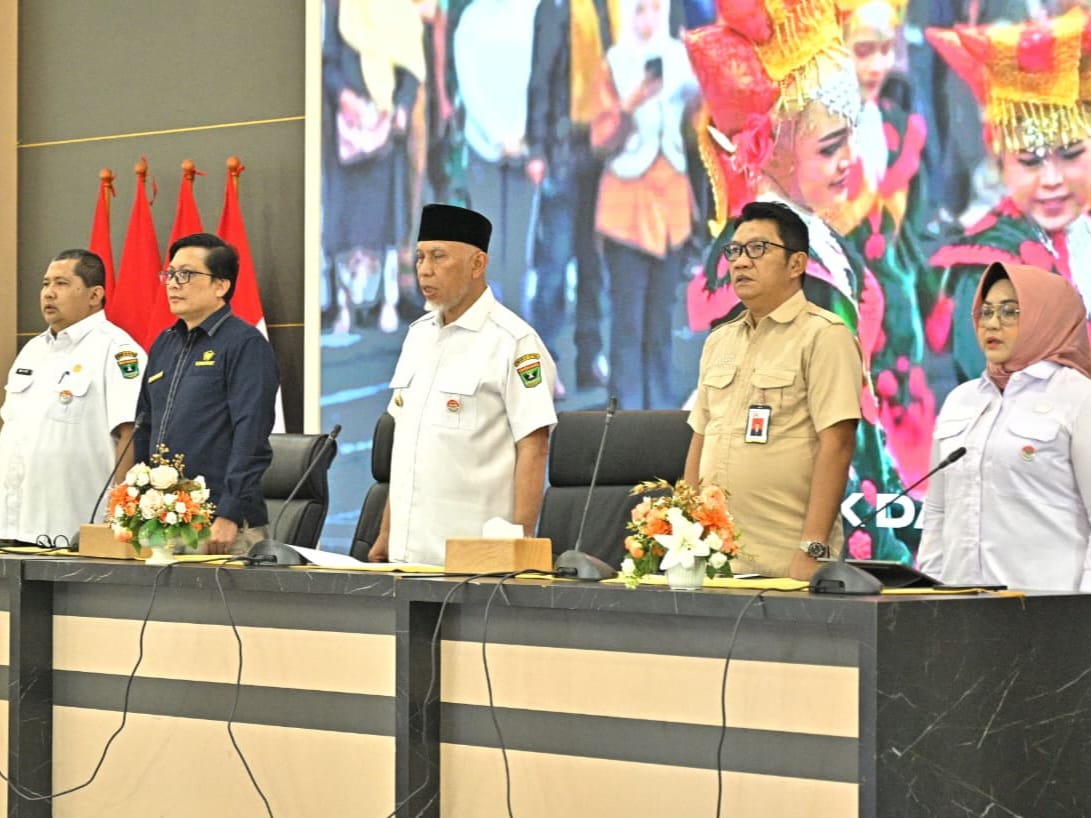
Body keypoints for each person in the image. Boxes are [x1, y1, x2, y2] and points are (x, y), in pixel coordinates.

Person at [684, 1, 912, 563]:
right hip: (780, 540)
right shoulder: (789, 269)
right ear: (775, 148)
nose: (849, 163)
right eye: (831, 147)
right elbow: (712, 433)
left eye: (850, 141)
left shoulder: (817, 243)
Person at [368, 204, 558, 566]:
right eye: (420, 257)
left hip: (475, 562)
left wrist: (520, 545)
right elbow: (407, 447)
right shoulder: (417, 336)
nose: (425, 269)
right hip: (406, 555)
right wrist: (387, 533)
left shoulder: (514, 342)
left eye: (439, 257)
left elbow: (534, 447)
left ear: (477, 264)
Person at [684, 201, 862, 580]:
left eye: (758, 249)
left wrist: (813, 548)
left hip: (785, 562)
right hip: (712, 561)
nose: (740, 262)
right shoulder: (719, 341)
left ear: (796, 264)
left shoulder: (824, 336)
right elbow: (700, 440)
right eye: (734, 251)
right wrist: (685, 534)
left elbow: (838, 444)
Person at [927, 9, 1091, 383]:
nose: (1052, 180)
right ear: (1001, 165)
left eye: (1070, 155)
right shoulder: (985, 268)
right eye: (1030, 161)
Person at [917, 262, 1091, 591]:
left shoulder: (1078, 397)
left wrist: (1082, 613)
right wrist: (930, 595)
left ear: (1046, 316)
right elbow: (938, 511)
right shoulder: (961, 400)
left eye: (1011, 312)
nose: (993, 323)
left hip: (1048, 610)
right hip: (959, 607)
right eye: (986, 312)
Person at [134, 233, 280, 555]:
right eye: (170, 274)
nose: (173, 283)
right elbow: (144, 425)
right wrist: (138, 501)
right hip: (164, 521)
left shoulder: (245, 344)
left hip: (220, 524)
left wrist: (229, 512)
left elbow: (251, 436)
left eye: (185, 274)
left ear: (221, 285)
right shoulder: (164, 343)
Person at [589, 0, 700, 410]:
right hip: (625, 209)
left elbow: (698, 134)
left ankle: (659, 418)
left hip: (672, 206)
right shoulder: (614, 63)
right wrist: (630, 103)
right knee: (627, 324)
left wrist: (698, 100)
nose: (648, 19)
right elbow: (599, 140)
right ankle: (626, 423)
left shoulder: (682, 57)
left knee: (659, 326)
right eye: (639, 9)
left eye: (655, 8)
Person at [0, 250, 145, 546]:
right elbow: (10, 428)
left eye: (62, 284)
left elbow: (131, 434)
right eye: (45, 284)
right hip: (11, 521)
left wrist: (120, 511)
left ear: (95, 295)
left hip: (70, 526)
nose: (49, 293)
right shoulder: (32, 350)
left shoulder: (117, 350)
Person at [524, 0, 615, 398]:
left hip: (601, 149)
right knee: (554, 266)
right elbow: (540, 79)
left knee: (594, 262)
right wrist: (536, 150)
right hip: (562, 148)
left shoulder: (609, 8)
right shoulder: (554, 8)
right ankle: (546, 365)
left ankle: (589, 355)